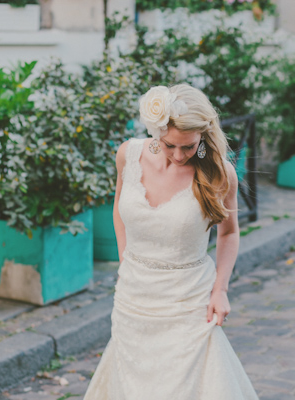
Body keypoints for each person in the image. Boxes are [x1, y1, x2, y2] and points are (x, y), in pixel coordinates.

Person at [83, 83, 259, 399]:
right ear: (156, 131)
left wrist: (220, 290)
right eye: (168, 145)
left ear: (202, 137)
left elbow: (229, 232)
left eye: (189, 147)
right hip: (133, 297)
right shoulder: (128, 154)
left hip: (188, 302)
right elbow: (119, 208)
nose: (178, 155)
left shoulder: (220, 174)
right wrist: (126, 261)